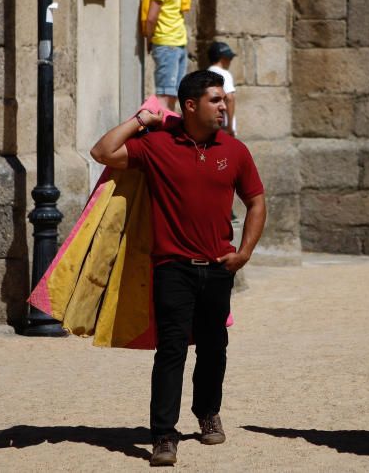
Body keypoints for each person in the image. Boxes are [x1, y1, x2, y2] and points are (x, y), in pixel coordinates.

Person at [89, 70, 267, 467]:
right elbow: (102, 152)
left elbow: (256, 200)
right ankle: (163, 435)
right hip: (172, 267)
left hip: (220, 267)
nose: (225, 106)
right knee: (171, 350)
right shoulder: (156, 145)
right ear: (191, 105)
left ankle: (207, 413)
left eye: (224, 100)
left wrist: (244, 253)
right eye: (216, 100)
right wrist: (142, 121)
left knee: (213, 347)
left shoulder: (235, 150)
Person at [141, 0, 192, 110]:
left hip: (178, 44)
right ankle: (160, 134)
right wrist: (150, 39)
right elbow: (151, 17)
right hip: (166, 44)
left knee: (174, 94)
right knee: (164, 95)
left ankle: (168, 132)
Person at [207, 41, 237, 136]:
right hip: (224, 126)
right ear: (223, 58)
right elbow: (229, 98)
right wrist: (230, 126)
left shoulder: (207, 73)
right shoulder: (224, 73)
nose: (230, 61)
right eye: (230, 58)